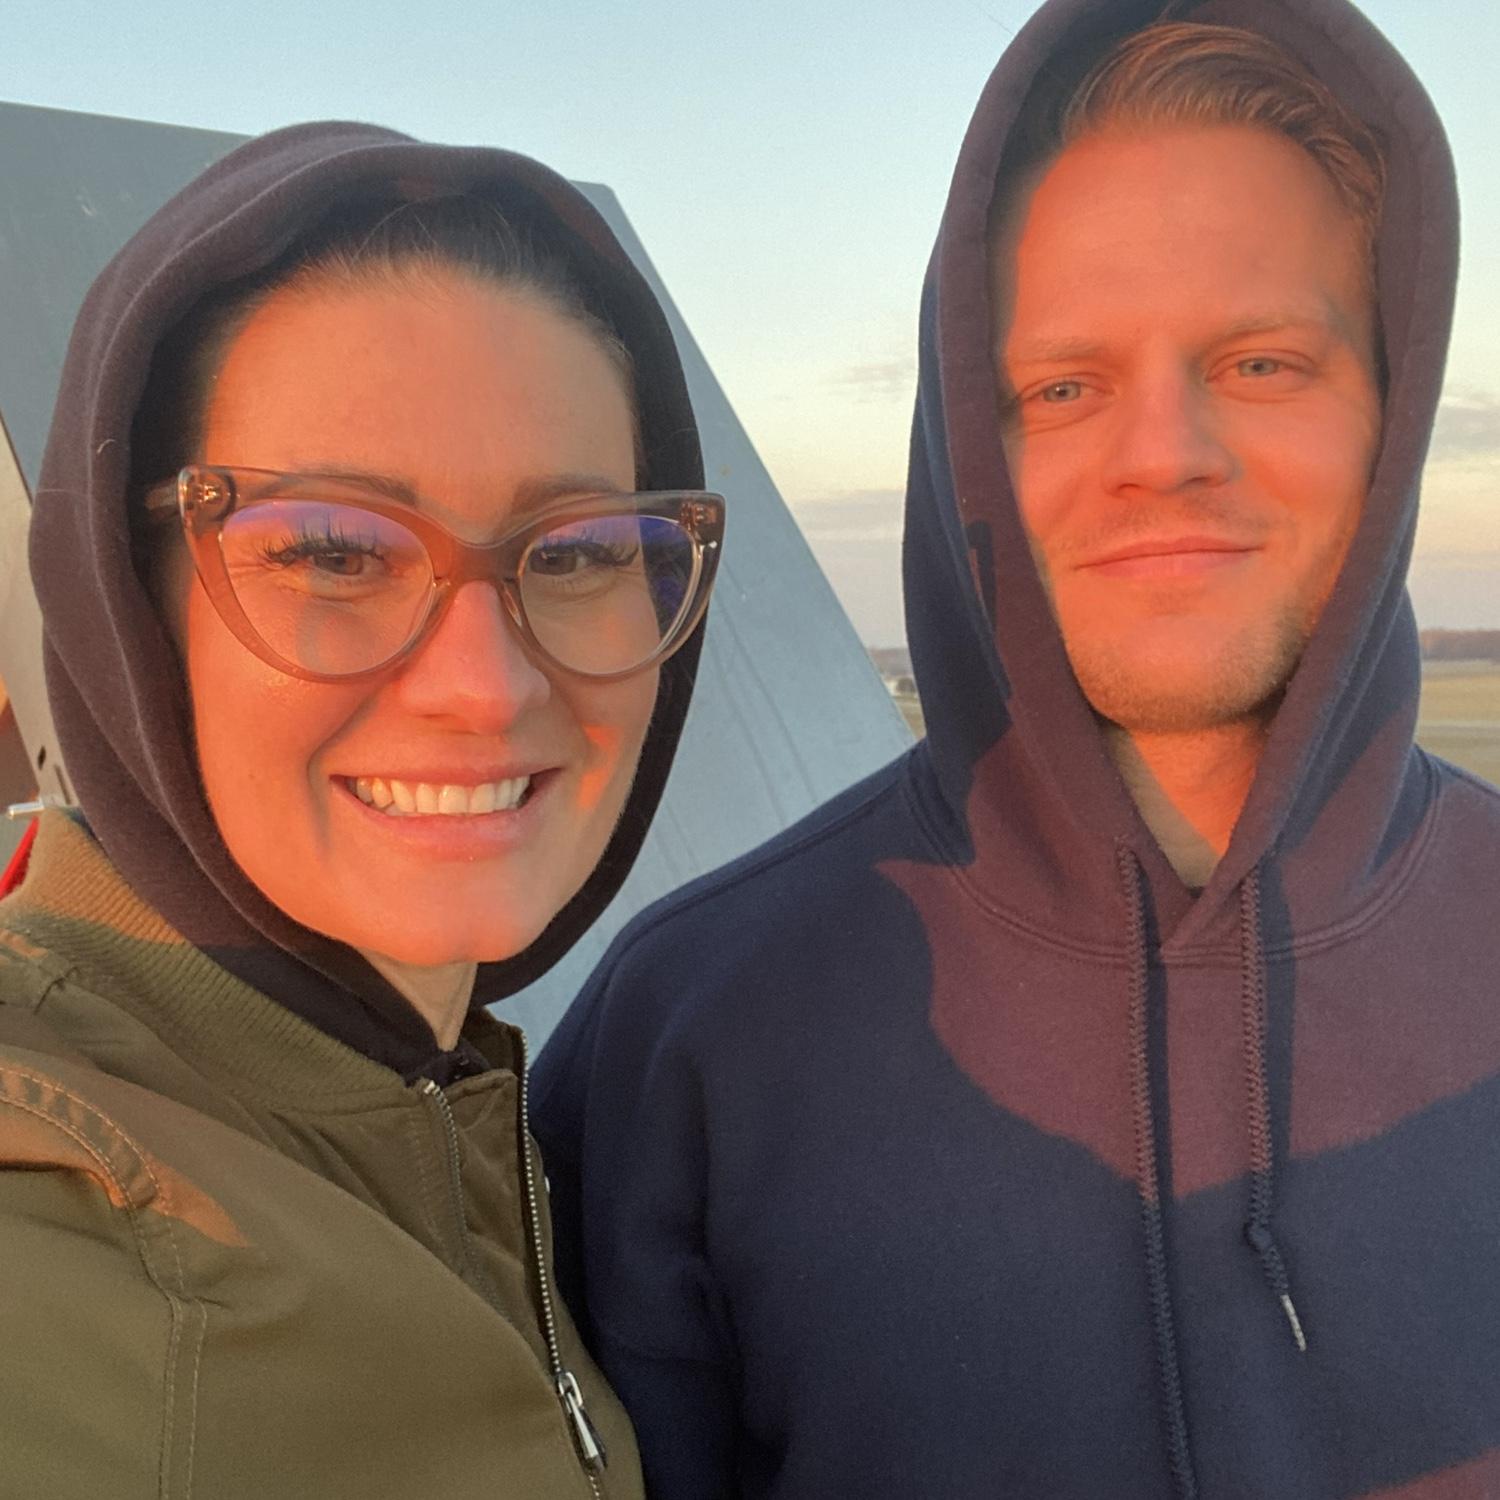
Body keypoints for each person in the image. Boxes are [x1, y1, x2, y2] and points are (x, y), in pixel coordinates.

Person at [533, 2, 1498, 1496]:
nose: (1163, 448)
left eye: (1261, 363)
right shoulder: (691, 1037)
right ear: (967, 450)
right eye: (1063, 388)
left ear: (1393, 410)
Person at [0, 120, 724, 1498]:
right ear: (126, 607)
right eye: (331, 549)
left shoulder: (445, 1118)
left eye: (571, 550)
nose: (485, 686)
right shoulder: (57, 1225)